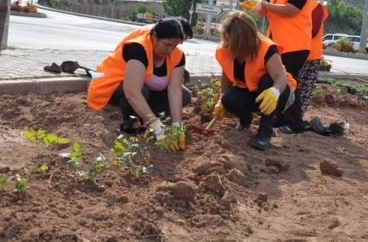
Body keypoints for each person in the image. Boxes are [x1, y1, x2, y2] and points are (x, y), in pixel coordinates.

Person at [87, 18, 190, 151]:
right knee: (141, 91)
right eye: (166, 44)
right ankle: (130, 122)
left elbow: (175, 90)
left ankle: (145, 118)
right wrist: (156, 125)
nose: (170, 50)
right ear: (155, 37)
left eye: (174, 45)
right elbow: (132, 92)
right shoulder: (138, 48)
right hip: (111, 86)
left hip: (140, 90)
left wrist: (177, 126)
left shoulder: (177, 55)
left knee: (185, 95)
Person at [212, 11, 298, 150]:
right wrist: (221, 99)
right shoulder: (225, 50)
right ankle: (245, 120)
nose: (226, 43)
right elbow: (227, 73)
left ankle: (264, 133)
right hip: (253, 92)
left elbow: (280, 77)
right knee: (229, 99)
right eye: (225, 38)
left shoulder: (266, 48)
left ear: (242, 40)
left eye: (229, 40)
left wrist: (274, 92)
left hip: (279, 93)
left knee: (266, 81)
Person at [251, 0, 313, 81]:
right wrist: (254, 6)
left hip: (295, 46)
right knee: (273, 79)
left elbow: (290, 10)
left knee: (287, 81)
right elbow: (264, 10)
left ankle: (292, 101)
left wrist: (263, 4)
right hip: (275, 44)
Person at [297, 0, 329, 114]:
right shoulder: (295, 3)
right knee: (293, 86)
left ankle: (297, 116)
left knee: (304, 88)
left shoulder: (316, 7)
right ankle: (287, 116)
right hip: (296, 51)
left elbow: (313, 31)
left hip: (310, 55)